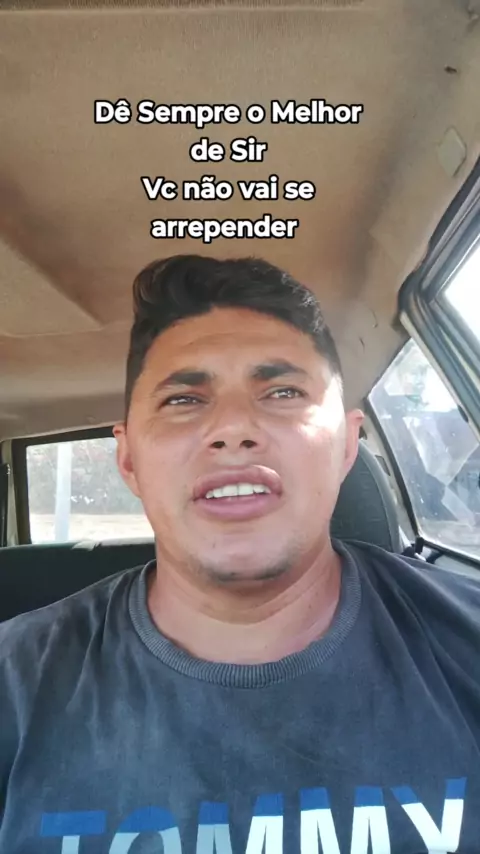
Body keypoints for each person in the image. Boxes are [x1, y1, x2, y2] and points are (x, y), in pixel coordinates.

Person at [1, 255, 479, 854]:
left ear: (346, 445)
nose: (233, 428)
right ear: (129, 461)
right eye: (183, 400)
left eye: (283, 391)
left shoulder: (465, 643)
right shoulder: (15, 685)